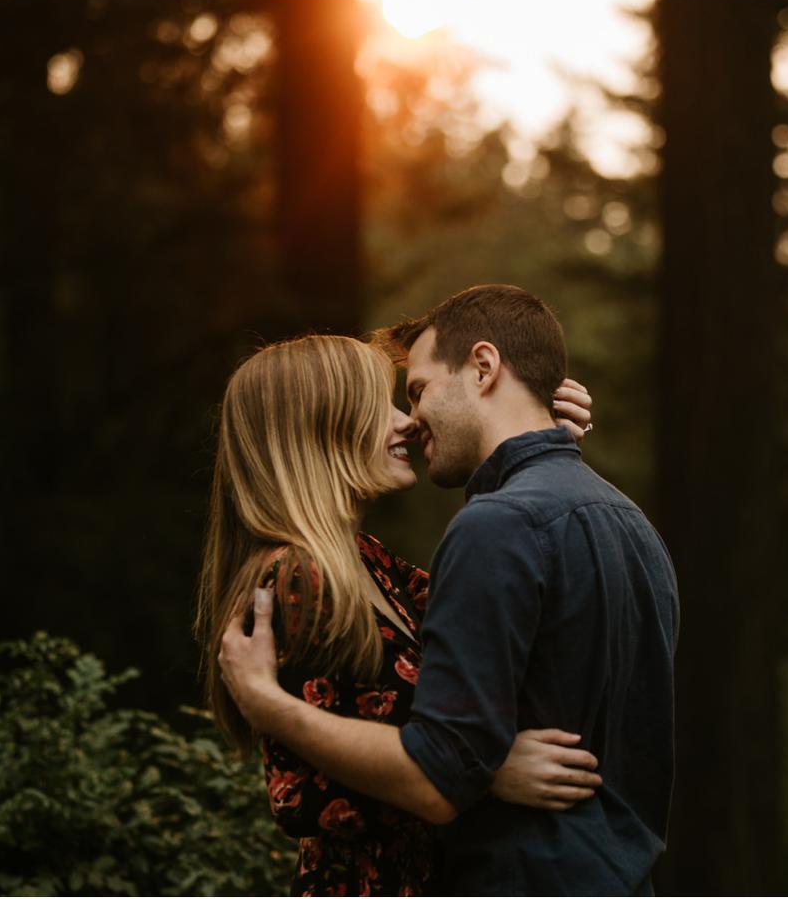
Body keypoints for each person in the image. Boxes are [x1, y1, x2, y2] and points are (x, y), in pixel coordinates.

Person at [220, 285, 679, 895]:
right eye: (384, 403)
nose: (407, 421)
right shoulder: (296, 576)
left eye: (412, 394)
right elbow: (312, 795)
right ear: (319, 429)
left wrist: (543, 447)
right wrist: (482, 771)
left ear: (485, 368)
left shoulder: (380, 565)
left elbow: (519, 610)